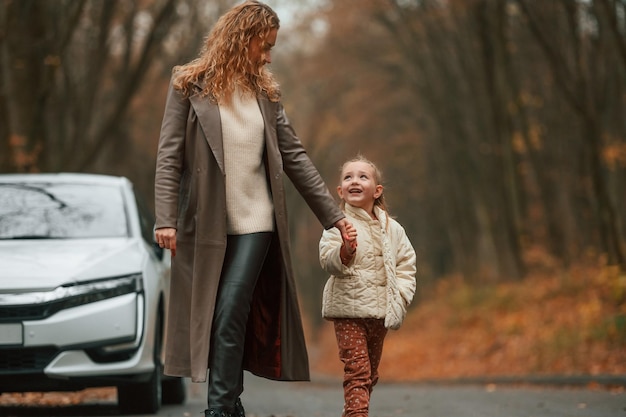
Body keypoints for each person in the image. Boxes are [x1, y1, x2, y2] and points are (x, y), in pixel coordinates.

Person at [153, 2, 352, 416]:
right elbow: (169, 157)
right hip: (205, 226)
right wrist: (165, 218)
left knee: (229, 310)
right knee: (218, 316)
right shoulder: (188, 87)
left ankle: (219, 410)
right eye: (264, 46)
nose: (268, 56)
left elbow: (294, 156)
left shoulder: (265, 94)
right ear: (242, 39)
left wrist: (335, 217)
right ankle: (232, 401)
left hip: (256, 222)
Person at [318, 155, 417, 417]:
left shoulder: (393, 228)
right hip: (348, 312)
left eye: (363, 176)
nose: (355, 181)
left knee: (370, 374)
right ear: (340, 190)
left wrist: (402, 297)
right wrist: (344, 250)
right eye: (348, 177)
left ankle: (352, 410)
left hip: (380, 313)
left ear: (377, 190)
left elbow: (407, 263)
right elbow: (327, 259)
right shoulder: (338, 224)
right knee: (358, 371)